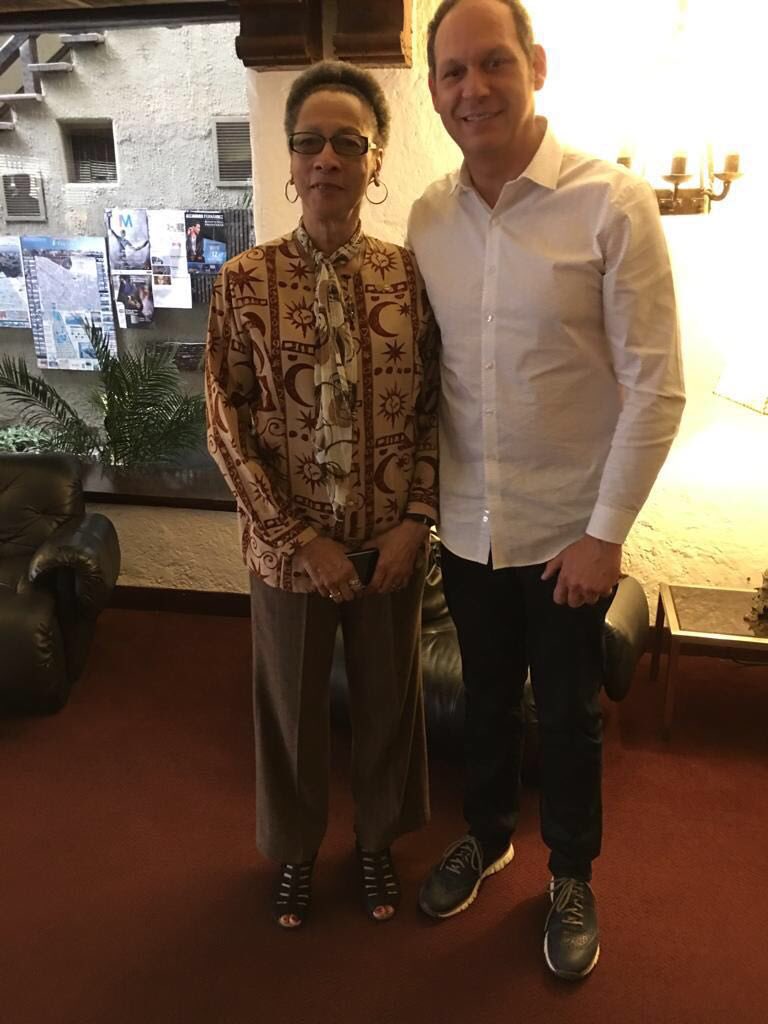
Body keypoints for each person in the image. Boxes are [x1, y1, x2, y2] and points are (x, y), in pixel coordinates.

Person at [407, 0, 685, 980]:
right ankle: (487, 837)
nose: (473, 88)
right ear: (433, 89)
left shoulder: (613, 204)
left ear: (535, 64)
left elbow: (657, 385)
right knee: (484, 698)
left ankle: (571, 874)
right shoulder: (427, 217)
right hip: (467, 527)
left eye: (493, 63)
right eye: (452, 72)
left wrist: (606, 536)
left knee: (566, 716)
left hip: (570, 534)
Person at [205, 61, 439, 930]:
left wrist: (417, 521)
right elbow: (224, 425)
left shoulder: (410, 279)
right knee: (289, 713)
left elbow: (433, 411)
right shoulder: (243, 281)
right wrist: (300, 540)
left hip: (390, 547)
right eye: (311, 142)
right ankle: (296, 853)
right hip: (290, 553)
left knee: (388, 705)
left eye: (349, 142)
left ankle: (378, 842)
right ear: (291, 158)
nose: (328, 158)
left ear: (375, 161)